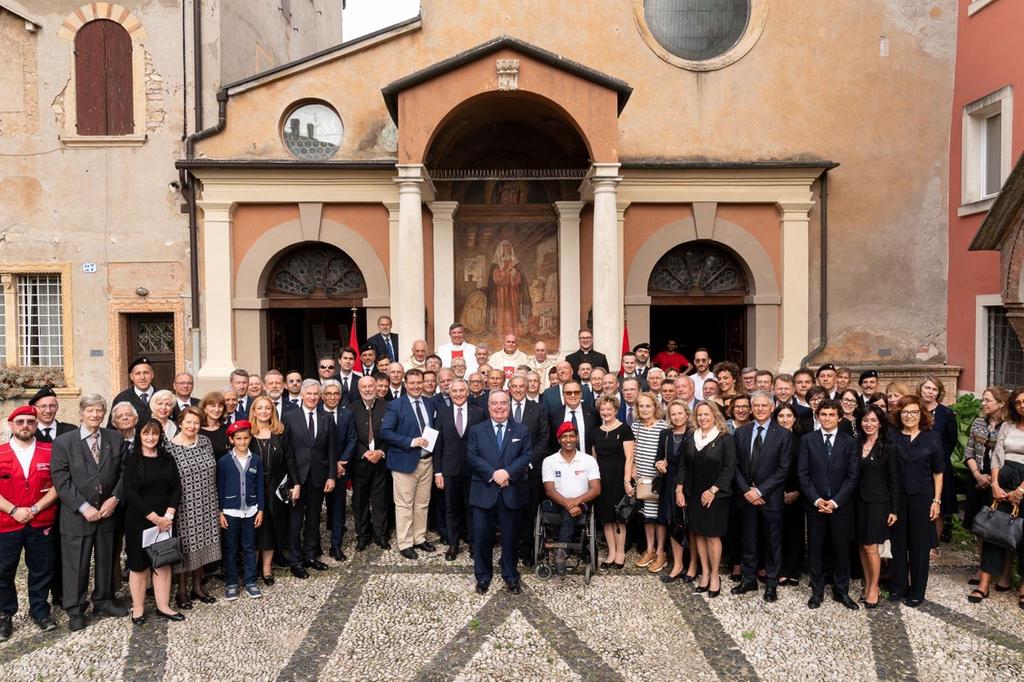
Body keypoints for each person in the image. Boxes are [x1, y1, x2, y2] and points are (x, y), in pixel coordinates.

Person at [51, 395, 127, 631]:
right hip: (77, 515)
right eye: (90, 410)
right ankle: (75, 609)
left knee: (105, 560)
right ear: (81, 413)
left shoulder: (115, 438)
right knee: (76, 564)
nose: (95, 415)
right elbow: (61, 480)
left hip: (107, 513)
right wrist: (84, 507)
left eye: (99, 410)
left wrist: (114, 499)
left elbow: (125, 472)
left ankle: (104, 600)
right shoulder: (64, 442)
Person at [0, 406, 59, 639]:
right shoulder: (0, 452)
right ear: (11, 424)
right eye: (20, 421)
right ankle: (5, 615)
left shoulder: (51, 451)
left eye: (30, 422)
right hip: (6, 523)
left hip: (40, 520)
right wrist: (14, 510)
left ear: (36, 425)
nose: (25, 425)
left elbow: (58, 486)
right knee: (3, 571)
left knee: (41, 569)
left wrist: (34, 509)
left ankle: (40, 610)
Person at [466, 391, 533, 594]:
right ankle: (483, 577)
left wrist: (507, 473)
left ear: (509, 405)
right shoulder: (477, 430)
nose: (499, 407)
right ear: (488, 406)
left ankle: (511, 575)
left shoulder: (521, 430)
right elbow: (471, 456)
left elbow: (528, 454)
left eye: (503, 403)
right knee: (482, 537)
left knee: (511, 537)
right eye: (494, 403)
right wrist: (493, 474)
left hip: (511, 491)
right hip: (484, 491)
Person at [798, 399, 860, 610]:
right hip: (814, 505)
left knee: (841, 549)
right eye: (823, 414)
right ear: (817, 416)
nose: (827, 418)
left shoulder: (850, 442)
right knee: (815, 549)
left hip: (841, 506)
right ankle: (817, 591)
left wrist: (834, 502)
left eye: (831, 415)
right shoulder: (807, 440)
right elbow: (803, 474)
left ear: (839, 417)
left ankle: (841, 591)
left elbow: (853, 476)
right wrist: (816, 499)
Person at [731, 391, 791, 603]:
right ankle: (748, 579)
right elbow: (735, 466)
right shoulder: (741, 433)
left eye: (764, 405)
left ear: (772, 407)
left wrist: (760, 491)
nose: (760, 409)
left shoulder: (783, 434)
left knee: (772, 540)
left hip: (770, 498)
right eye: (756, 405)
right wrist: (747, 490)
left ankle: (772, 583)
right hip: (746, 497)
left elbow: (783, 469)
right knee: (748, 539)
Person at [122, 419, 183, 624]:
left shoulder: (167, 458)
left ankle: (163, 606)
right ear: (139, 435)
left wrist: (168, 516)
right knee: (138, 566)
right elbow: (130, 492)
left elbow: (176, 488)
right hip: (139, 520)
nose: (150, 438)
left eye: (155, 434)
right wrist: (154, 517)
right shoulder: (132, 459)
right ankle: (138, 608)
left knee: (163, 563)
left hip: (166, 520)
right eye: (146, 433)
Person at [970, 386, 1024, 608]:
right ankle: (984, 584)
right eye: (1019, 402)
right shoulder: (1008, 426)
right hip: (1003, 478)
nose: (1022, 405)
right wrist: (995, 484)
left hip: (1023, 484)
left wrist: (1021, 490)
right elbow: (996, 456)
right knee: (994, 530)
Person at [889, 395, 944, 607]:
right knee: (898, 544)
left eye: (914, 412)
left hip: (922, 498)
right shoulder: (892, 436)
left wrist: (936, 500)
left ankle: (917, 590)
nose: (909, 416)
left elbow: (938, 472)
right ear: (898, 415)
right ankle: (898, 586)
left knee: (920, 547)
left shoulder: (932, 438)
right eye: (905, 412)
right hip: (897, 499)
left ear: (921, 414)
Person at [676, 401, 735, 598]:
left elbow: (730, 467)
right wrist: (679, 489)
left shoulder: (725, 438)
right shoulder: (691, 437)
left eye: (706, 414)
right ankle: (705, 572)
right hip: (693, 493)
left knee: (712, 534)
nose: (702, 418)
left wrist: (713, 490)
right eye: (699, 414)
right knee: (698, 533)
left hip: (715, 494)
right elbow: (683, 465)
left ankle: (715, 575)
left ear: (715, 415)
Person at [281, 380, 337, 578]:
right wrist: (293, 481)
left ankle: (310, 556)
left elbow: (331, 450)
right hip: (297, 478)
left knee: (314, 518)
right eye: (309, 394)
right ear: (302, 395)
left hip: (318, 477)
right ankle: (295, 561)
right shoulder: (289, 417)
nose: (313, 397)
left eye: (316, 394)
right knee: (295, 521)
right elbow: (287, 453)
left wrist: (331, 476)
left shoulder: (326, 417)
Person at [167, 406, 220, 609]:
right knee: (185, 547)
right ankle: (181, 590)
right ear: (180, 422)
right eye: (188, 422)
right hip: (183, 506)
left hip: (207, 501)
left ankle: (198, 586)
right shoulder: (171, 447)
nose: (192, 426)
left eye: (196, 422)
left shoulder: (205, 442)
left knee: (203, 545)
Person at [380, 369, 436, 559]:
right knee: (404, 505)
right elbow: (385, 432)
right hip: (404, 462)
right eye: (412, 383)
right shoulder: (396, 405)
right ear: (405, 384)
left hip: (427, 462)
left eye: (419, 382)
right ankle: (405, 543)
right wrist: (411, 441)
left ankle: (419, 538)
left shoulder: (429, 403)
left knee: (422, 503)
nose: (416, 386)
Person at [433, 379, 487, 560]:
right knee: (451, 509)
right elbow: (438, 445)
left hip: (473, 470)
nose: (458, 394)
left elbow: (483, 443)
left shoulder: (479, 413)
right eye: (454, 391)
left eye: (461, 390)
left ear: (467, 391)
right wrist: (438, 472)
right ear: (449, 393)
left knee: (472, 509)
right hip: (449, 470)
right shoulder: (442, 412)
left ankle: (473, 544)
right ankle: (453, 544)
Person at [854, 406, 900, 609]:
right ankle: (867, 583)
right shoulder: (856, 444)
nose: (869, 424)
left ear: (880, 422)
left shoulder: (889, 447)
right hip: (857, 502)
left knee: (872, 547)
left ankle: (874, 587)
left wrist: (894, 509)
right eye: (865, 420)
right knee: (862, 545)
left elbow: (894, 481)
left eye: (873, 420)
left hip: (878, 503)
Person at [542, 423, 602, 576]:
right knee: (567, 511)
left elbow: (596, 489)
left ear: (577, 438)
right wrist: (569, 504)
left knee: (569, 513)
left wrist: (575, 501)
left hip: (581, 503)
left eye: (571, 436)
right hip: (556, 503)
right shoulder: (549, 461)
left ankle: (560, 554)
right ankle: (562, 552)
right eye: (564, 436)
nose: (568, 440)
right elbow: (549, 490)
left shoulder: (588, 460)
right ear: (559, 439)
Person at [963, 386, 1009, 587]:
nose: (983, 403)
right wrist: (977, 475)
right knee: (980, 526)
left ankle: (1005, 574)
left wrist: (994, 479)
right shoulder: (979, 422)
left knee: (1002, 529)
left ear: (1001, 404)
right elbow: (969, 451)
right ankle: (983, 567)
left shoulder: (1009, 426)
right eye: (982, 399)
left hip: (1001, 483)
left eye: (987, 400)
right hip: (978, 481)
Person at [217, 421, 265, 601]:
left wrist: (261, 509)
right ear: (232, 439)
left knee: (250, 547)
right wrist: (220, 511)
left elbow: (260, 486)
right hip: (231, 512)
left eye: (246, 438)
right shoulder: (224, 461)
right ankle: (231, 582)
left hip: (251, 511)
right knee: (230, 549)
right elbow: (220, 487)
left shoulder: (256, 460)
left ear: (250, 438)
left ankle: (250, 581)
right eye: (238, 439)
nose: (243, 442)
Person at [249, 395, 293, 581]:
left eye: (267, 408)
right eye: (260, 408)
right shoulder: (247, 434)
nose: (264, 411)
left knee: (271, 525)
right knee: (254, 526)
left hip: (275, 487)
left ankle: (267, 567)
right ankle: (252, 568)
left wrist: (294, 483)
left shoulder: (280, 432)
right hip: (252, 487)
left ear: (272, 411)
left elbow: (289, 460)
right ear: (254, 411)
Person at [507, 376, 550, 566]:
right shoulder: (502, 407)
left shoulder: (538, 409)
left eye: (521, 386)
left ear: (527, 388)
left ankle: (526, 550)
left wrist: (528, 462)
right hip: (507, 471)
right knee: (508, 513)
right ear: (509, 388)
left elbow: (543, 438)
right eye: (514, 386)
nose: (517, 390)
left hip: (530, 471)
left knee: (529, 512)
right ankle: (509, 551)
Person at [591, 395, 635, 569]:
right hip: (602, 479)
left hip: (619, 478)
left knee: (619, 518)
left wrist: (627, 481)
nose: (606, 412)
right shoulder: (594, 432)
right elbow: (594, 458)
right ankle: (610, 552)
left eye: (609, 409)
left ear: (616, 410)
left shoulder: (625, 429)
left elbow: (629, 457)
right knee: (606, 518)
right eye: (603, 409)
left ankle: (620, 553)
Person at [348, 376, 390, 551]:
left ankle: (380, 535)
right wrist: (364, 452)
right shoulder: (352, 409)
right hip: (360, 464)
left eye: (370, 386)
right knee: (360, 502)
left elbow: (392, 433)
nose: (367, 389)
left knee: (380, 501)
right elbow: (350, 436)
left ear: (376, 387)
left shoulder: (387, 407)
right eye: (363, 387)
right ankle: (362, 536)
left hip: (381, 462)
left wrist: (381, 451)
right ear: (359, 389)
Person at [319, 380, 357, 561]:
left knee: (338, 509)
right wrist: (329, 464)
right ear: (323, 396)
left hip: (341, 469)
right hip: (319, 470)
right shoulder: (316, 413)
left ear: (340, 396)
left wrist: (341, 462)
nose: (332, 397)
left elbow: (352, 439)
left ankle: (336, 546)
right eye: (329, 394)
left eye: (336, 394)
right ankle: (315, 546)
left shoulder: (346, 414)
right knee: (315, 510)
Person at [918, 377, 958, 543]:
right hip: (917, 466)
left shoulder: (946, 413)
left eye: (934, 389)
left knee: (938, 504)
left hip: (939, 466)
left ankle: (934, 544)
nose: (930, 392)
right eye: (927, 388)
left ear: (939, 393)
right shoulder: (914, 409)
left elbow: (951, 440)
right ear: (921, 389)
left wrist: (937, 461)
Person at [632, 393, 669, 572]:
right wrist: (632, 468)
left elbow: (668, 453)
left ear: (655, 407)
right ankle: (650, 549)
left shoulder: (664, 427)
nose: (644, 409)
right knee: (646, 516)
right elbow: (633, 451)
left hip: (658, 480)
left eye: (648, 406)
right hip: (641, 480)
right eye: (641, 406)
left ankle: (661, 552)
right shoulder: (635, 426)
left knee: (659, 517)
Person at [656, 400, 690, 583]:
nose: (677, 417)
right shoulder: (665, 434)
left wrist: (682, 487)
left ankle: (693, 566)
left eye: (680, 413)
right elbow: (659, 457)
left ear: (687, 414)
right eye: (673, 414)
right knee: (674, 523)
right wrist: (659, 464)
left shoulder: (694, 434)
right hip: (669, 482)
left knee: (689, 524)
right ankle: (677, 565)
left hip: (688, 484)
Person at [774, 403, 805, 587]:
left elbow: (806, 468)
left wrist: (797, 491)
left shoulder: (802, 440)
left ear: (794, 418)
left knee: (795, 532)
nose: (785, 419)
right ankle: (779, 569)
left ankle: (793, 570)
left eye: (788, 416)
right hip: (775, 492)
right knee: (777, 532)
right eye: (781, 416)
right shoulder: (772, 438)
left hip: (796, 492)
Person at [547, 381, 598, 455]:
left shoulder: (593, 414)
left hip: (587, 462)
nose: (573, 395)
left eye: (576, 392)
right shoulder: (554, 415)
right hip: (562, 463)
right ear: (563, 395)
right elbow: (551, 442)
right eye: (568, 393)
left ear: (581, 394)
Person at [109, 356, 158, 426]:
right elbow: (112, 428)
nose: (142, 377)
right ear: (131, 377)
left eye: (146, 373)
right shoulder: (122, 399)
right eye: (138, 373)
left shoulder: (163, 396)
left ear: (152, 374)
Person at [197, 391, 230, 459]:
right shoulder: (196, 429)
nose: (217, 410)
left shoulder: (227, 429)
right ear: (204, 409)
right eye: (212, 406)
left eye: (220, 406)